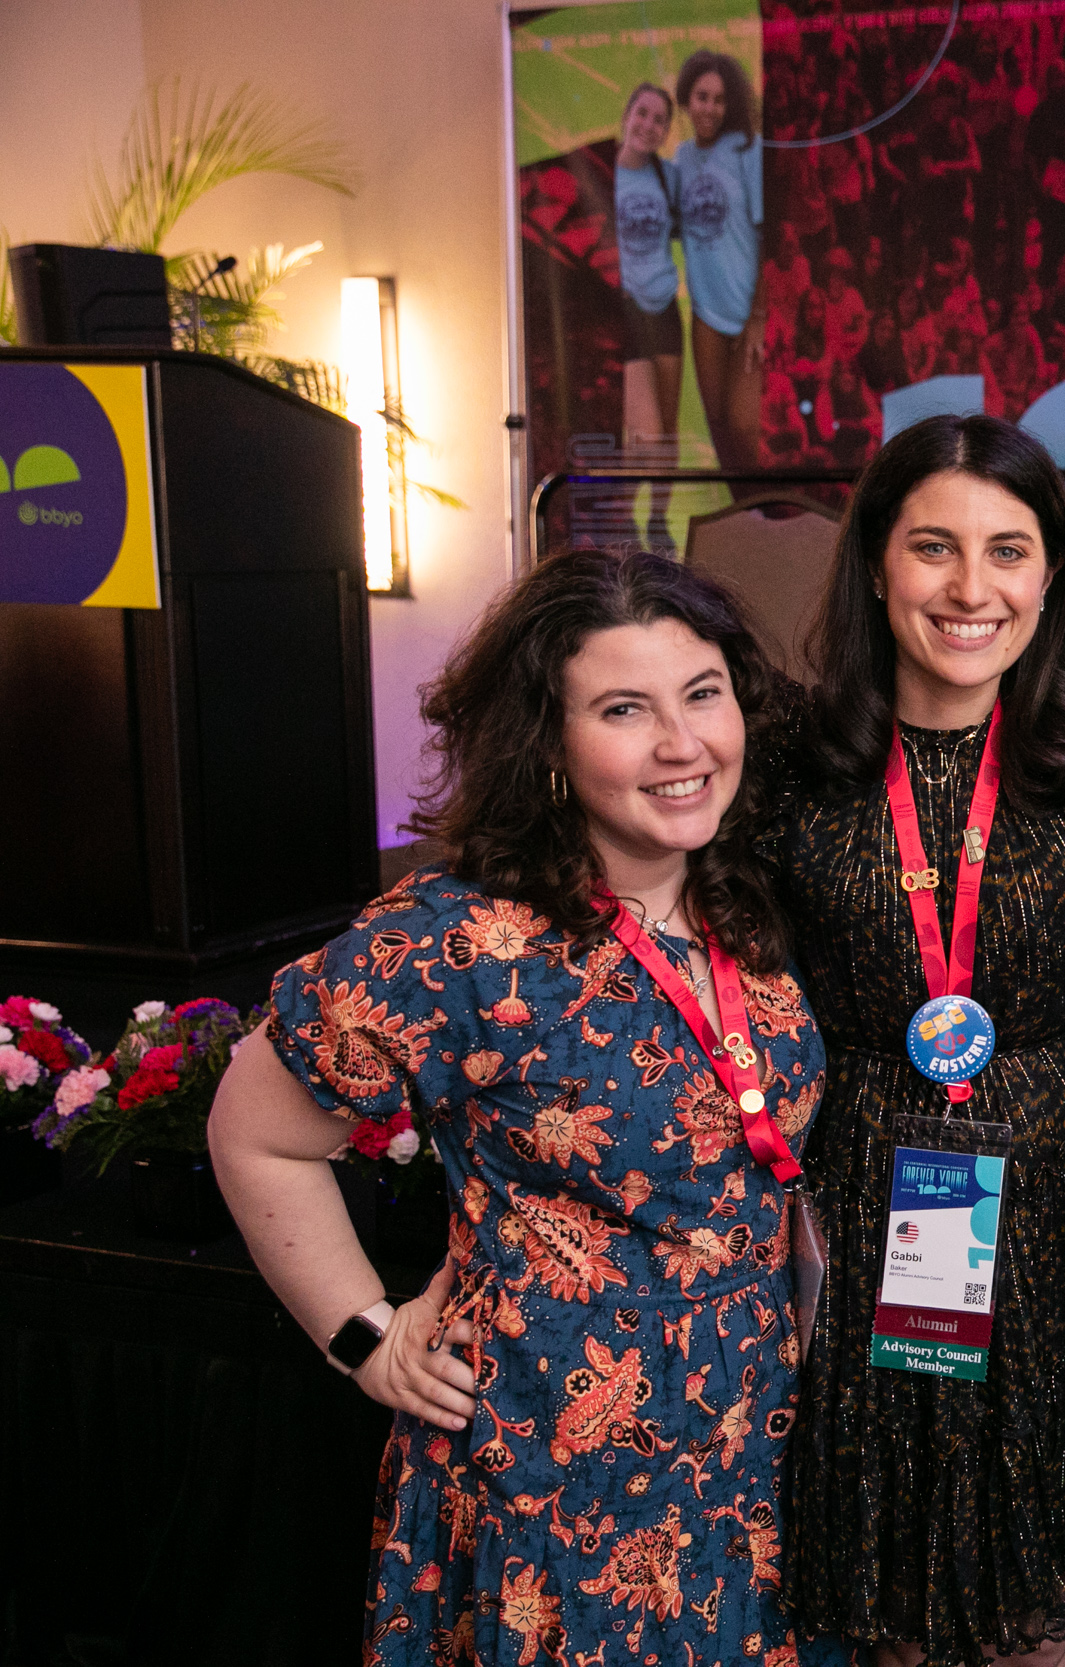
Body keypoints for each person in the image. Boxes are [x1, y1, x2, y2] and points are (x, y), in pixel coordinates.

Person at [206, 550, 841, 1665]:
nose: (683, 742)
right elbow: (253, 1132)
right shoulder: (460, 940)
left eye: (703, 693)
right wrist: (362, 1333)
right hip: (550, 1472)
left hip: (750, 1448)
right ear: (546, 740)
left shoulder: (749, 892)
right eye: (623, 709)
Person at [768, 415, 1065, 1666]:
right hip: (864, 1193)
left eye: (1008, 550)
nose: (971, 588)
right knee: (889, 1578)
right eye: (934, 548)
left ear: (1052, 573)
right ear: (876, 567)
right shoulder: (790, 770)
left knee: (1036, 1603)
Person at [676, 50, 768, 474]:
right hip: (707, 315)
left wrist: (758, 315)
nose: (710, 107)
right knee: (718, 432)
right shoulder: (682, 157)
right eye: (702, 96)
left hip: (747, 309)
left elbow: (765, 232)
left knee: (744, 427)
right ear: (687, 99)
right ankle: (744, 519)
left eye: (719, 99)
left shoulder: (747, 149)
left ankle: (764, 516)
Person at [613, 81, 685, 550]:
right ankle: (623, 521)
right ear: (627, 116)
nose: (649, 125)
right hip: (625, 308)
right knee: (647, 432)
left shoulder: (667, 175)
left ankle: (657, 522)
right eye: (643, 114)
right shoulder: (604, 173)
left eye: (659, 120)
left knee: (669, 429)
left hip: (665, 306)